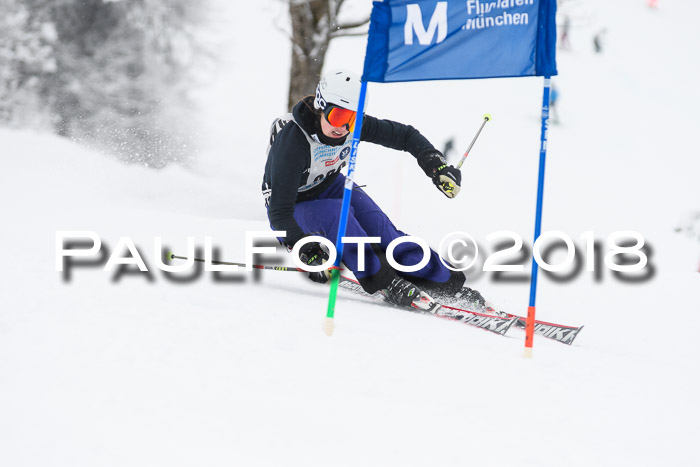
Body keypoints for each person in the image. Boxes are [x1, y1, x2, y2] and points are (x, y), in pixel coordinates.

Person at [261, 69, 486, 312]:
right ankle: (384, 281)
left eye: (353, 120)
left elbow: (405, 136)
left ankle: (445, 283)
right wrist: (306, 249)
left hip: (329, 185)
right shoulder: (293, 143)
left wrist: (436, 165)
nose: (343, 128)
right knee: (339, 216)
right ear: (320, 106)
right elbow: (279, 213)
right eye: (337, 117)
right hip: (293, 205)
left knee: (383, 231)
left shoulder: (351, 127)